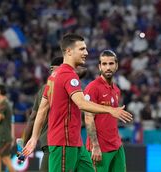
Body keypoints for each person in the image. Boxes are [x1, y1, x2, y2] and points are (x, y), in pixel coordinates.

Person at [23, 33, 132, 172]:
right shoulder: (68, 75)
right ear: (68, 51)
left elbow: (43, 108)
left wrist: (34, 138)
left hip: (76, 143)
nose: (86, 53)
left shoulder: (54, 76)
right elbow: (81, 103)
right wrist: (111, 110)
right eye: (81, 49)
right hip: (64, 142)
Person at [84, 50, 126, 172]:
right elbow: (88, 117)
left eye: (111, 63)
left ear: (116, 65)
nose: (108, 67)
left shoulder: (116, 90)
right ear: (99, 66)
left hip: (116, 146)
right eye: (104, 64)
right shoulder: (92, 88)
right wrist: (95, 146)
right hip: (100, 149)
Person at [23, 57, 64, 171]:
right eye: (64, 67)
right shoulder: (68, 86)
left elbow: (32, 118)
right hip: (58, 141)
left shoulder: (44, 89)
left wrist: (25, 142)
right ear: (52, 69)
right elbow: (33, 117)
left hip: (52, 140)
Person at [0, 84, 15, 172]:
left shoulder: (3, 104)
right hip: (0, 136)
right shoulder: (3, 103)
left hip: (4, 136)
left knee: (6, 160)